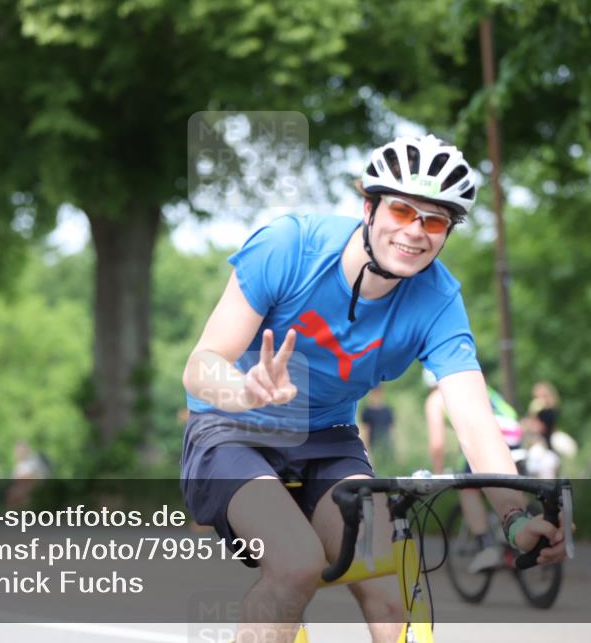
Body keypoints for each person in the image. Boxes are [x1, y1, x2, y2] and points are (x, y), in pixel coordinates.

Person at [181, 134, 568, 643]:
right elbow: (201, 365)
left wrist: (514, 517)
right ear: (369, 207)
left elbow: (475, 422)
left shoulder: (438, 300)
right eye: (402, 211)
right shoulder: (290, 246)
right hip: (232, 431)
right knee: (296, 564)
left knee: (386, 581)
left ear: (447, 232)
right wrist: (244, 392)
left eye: (434, 221)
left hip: (328, 440)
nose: (414, 232)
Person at [423, 368, 523, 573]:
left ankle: (487, 547)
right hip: (514, 432)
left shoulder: (436, 397)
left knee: (467, 489)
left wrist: (437, 472)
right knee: (512, 485)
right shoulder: (474, 382)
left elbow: (437, 445)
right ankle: (521, 524)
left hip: (490, 433)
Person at [359, 383, 396, 464]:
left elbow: (392, 431)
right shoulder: (367, 412)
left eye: (378, 392)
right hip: (373, 450)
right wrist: (367, 453)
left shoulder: (387, 411)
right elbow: (365, 432)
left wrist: (395, 450)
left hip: (386, 449)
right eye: (374, 392)